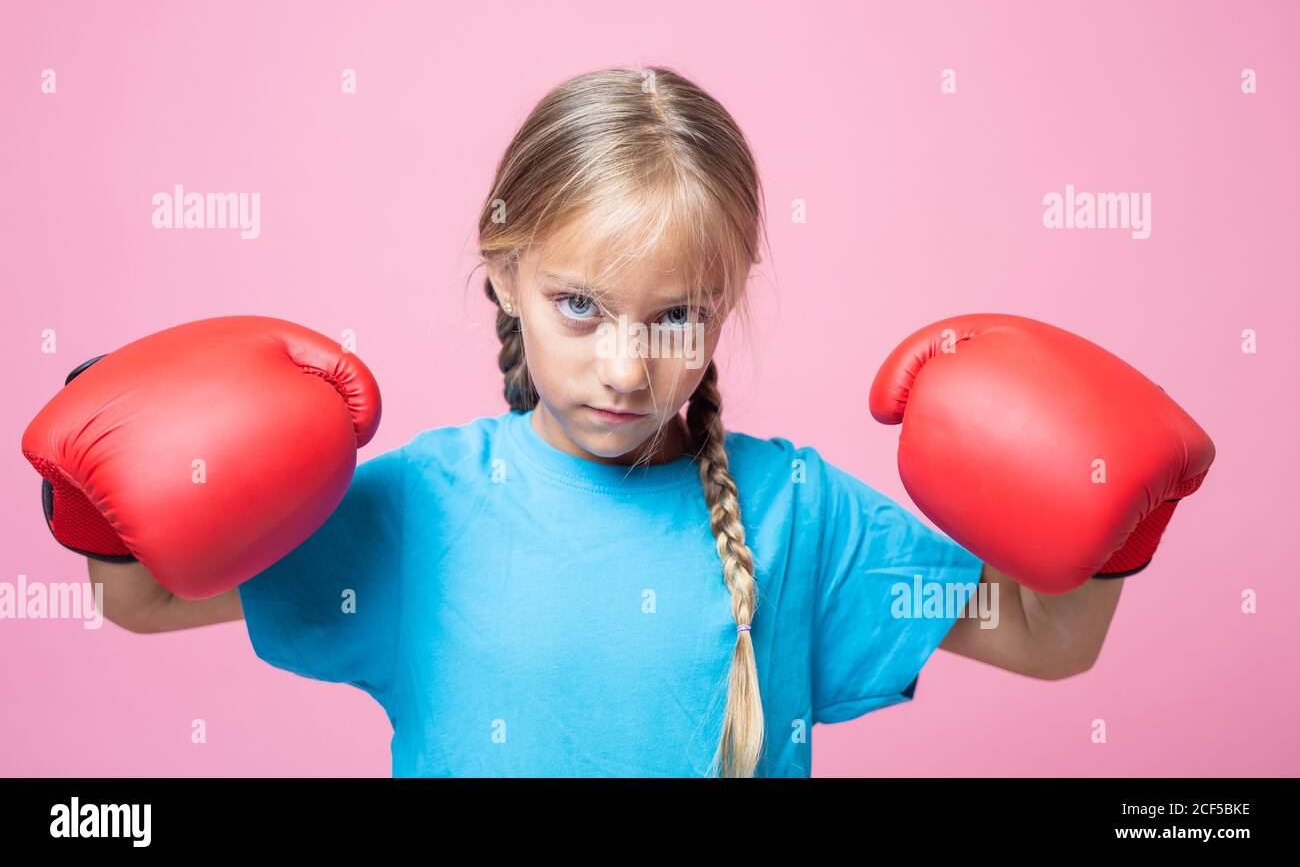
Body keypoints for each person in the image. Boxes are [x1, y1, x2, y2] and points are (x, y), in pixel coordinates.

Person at [81, 67, 1197, 777]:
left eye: (676, 316)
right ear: (504, 273)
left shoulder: (795, 511)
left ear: (725, 304)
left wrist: (1113, 503)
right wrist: (105, 472)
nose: (624, 365)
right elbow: (141, 597)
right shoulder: (420, 507)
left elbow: (1053, 639)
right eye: (579, 305)